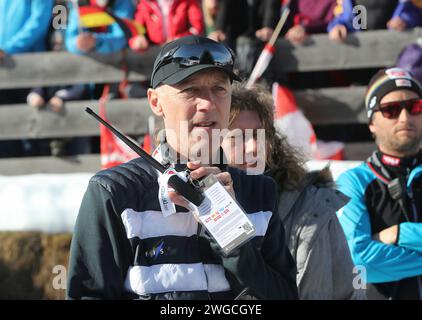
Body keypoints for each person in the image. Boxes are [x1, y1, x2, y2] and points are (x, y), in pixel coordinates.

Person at [67, 35, 298, 300]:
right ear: (156, 102)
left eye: (219, 89)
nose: (208, 104)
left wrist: (231, 237)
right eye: (189, 90)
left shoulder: (259, 190)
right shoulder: (114, 193)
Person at [221, 85, 364, 299]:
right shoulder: (191, 212)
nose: (253, 148)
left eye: (259, 135)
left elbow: (350, 291)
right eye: (237, 138)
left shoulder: (312, 205)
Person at [336, 67, 422, 300]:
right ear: (372, 122)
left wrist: (399, 233)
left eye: (415, 107)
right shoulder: (354, 181)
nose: (405, 117)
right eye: (391, 110)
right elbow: (357, 260)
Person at [328, 0, 422, 42]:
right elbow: (345, 18)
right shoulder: (348, 2)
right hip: (360, 57)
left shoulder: (404, 3)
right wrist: (338, 26)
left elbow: (414, 14)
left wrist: (405, 20)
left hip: (394, 58)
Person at [130, 0, 205, 51]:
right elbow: (136, 29)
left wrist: (178, 39)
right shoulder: (145, 3)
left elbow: (197, 28)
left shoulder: (187, 2)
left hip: (181, 48)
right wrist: (137, 40)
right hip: (155, 49)